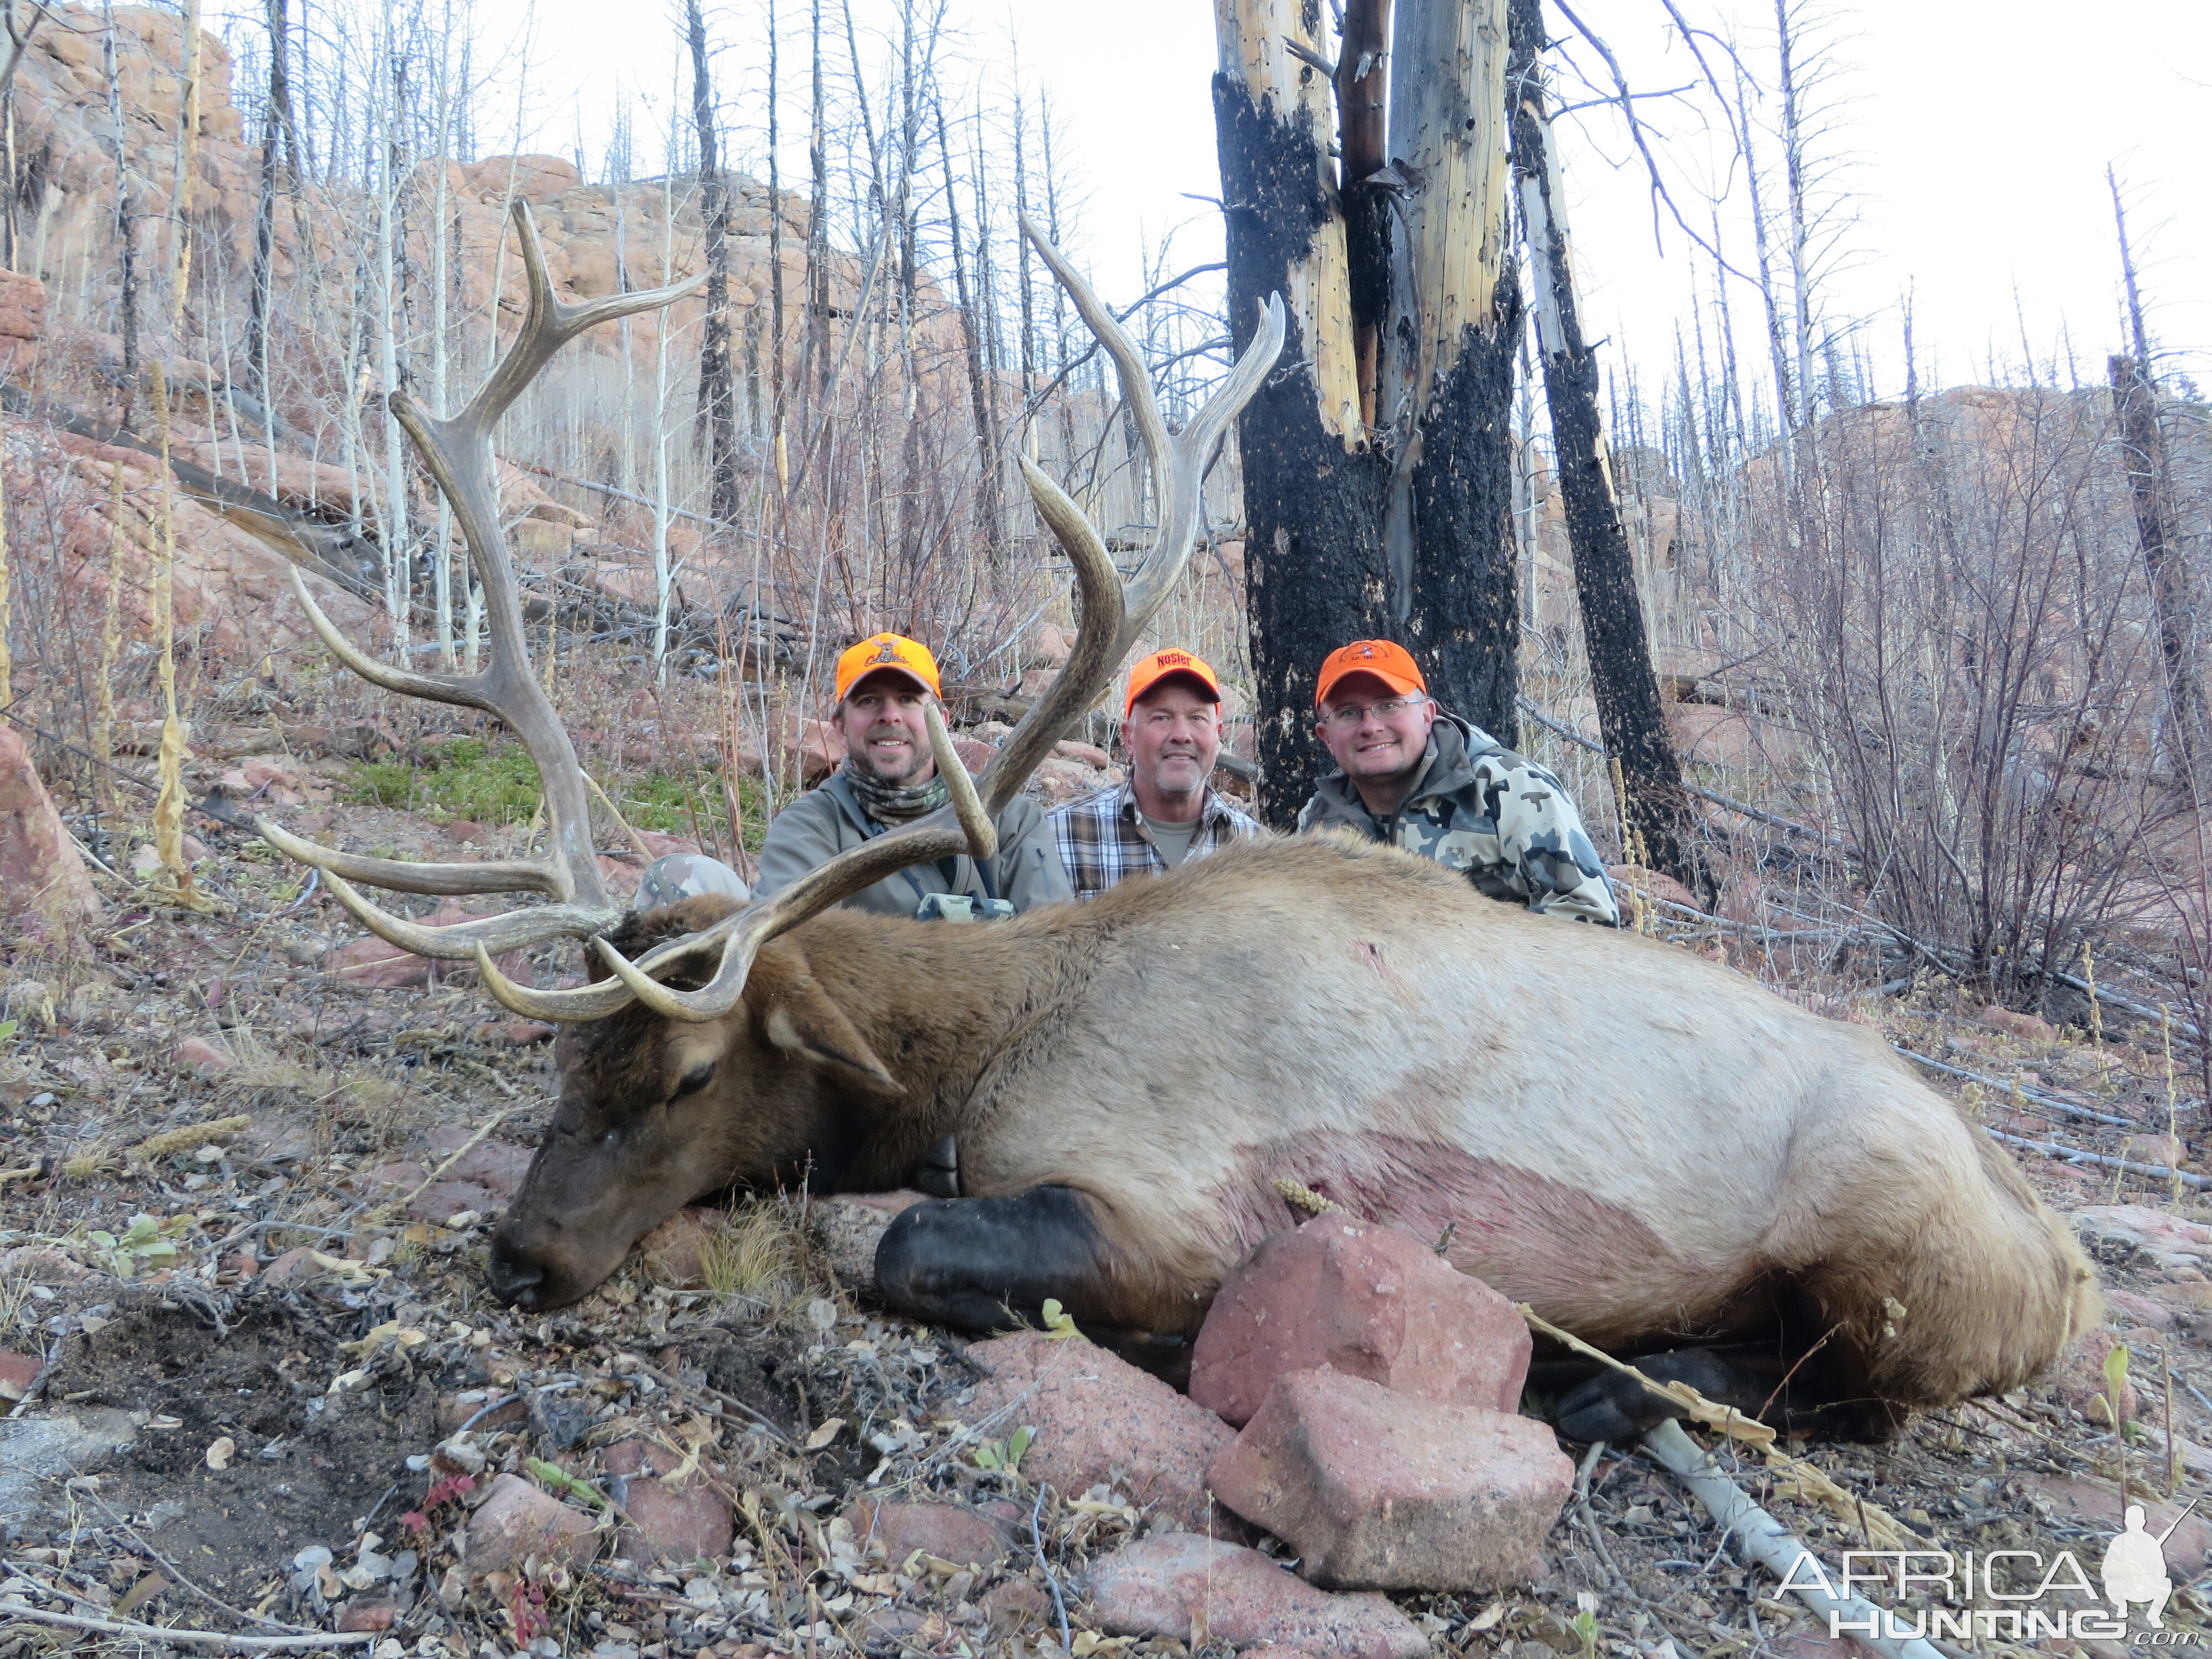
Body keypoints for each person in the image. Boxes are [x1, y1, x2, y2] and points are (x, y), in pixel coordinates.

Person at [1297, 639, 1620, 926]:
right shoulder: (1320, 817)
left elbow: (1589, 920)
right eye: (1348, 713)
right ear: (1326, 736)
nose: (1370, 727)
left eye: (1389, 705)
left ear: (1427, 715)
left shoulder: (1512, 788)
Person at [754, 631, 1072, 918]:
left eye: (908, 700)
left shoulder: (1012, 817)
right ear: (840, 728)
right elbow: (789, 952)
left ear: (943, 721)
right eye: (868, 701)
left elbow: (1059, 948)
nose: (890, 716)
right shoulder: (810, 827)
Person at [1051, 648, 1261, 899]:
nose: (1181, 734)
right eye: (1161, 717)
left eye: (1197, 718)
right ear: (1129, 737)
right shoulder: (1059, 837)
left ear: (1218, 735)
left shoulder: (1258, 848)